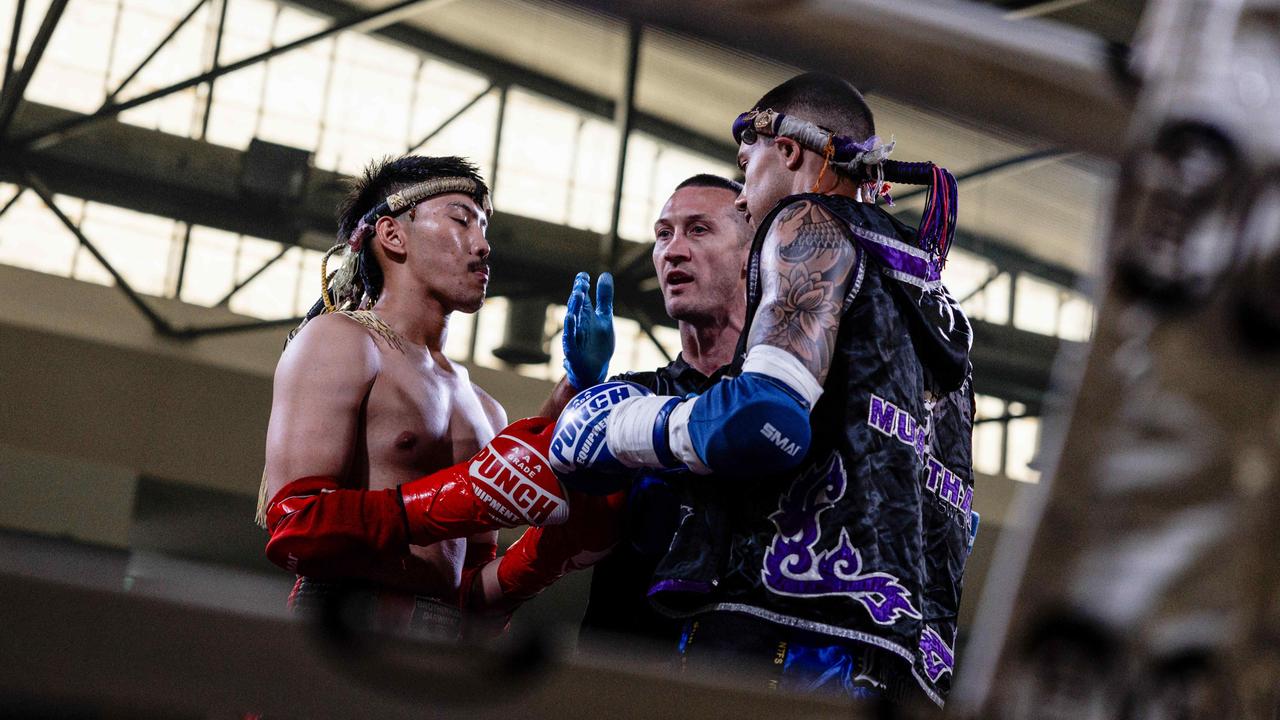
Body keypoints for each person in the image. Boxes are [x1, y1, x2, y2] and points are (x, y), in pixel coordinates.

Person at [551, 73, 976, 709]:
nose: (747, 198)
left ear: (788, 151)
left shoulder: (804, 222)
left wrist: (617, 423)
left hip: (785, 625)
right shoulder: (939, 302)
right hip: (908, 658)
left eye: (745, 165)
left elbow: (761, 421)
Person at [254, 155, 571, 640]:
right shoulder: (341, 341)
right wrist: (450, 499)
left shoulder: (486, 408)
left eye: (484, 228)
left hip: (444, 653)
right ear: (393, 234)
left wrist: (551, 555)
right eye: (461, 220)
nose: (484, 246)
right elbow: (297, 523)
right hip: (340, 636)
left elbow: (467, 590)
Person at [457, 175, 754, 649]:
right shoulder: (627, 397)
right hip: (624, 665)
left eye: (698, 230)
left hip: (752, 669)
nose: (673, 250)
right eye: (663, 234)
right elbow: (530, 482)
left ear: (750, 256)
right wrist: (577, 384)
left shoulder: (796, 399)